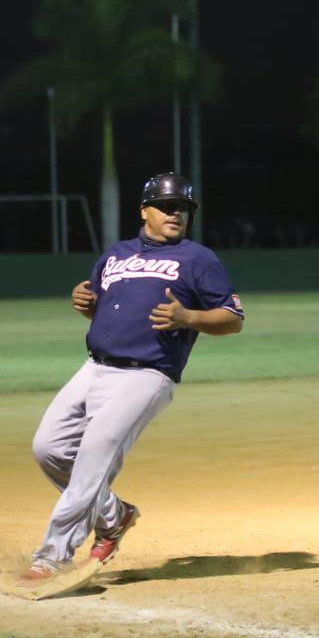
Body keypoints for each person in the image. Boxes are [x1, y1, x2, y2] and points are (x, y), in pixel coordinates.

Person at [19, 172, 244, 597]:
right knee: (48, 448)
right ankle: (113, 516)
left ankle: (53, 557)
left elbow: (233, 319)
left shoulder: (199, 259)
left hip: (148, 374)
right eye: (167, 206)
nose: (176, 214)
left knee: (94, 454)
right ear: (145, 211)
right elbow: (108, 312)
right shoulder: (114, 255)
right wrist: (85, 303)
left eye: (184, 208)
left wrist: (188, 318)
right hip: (94, 368)